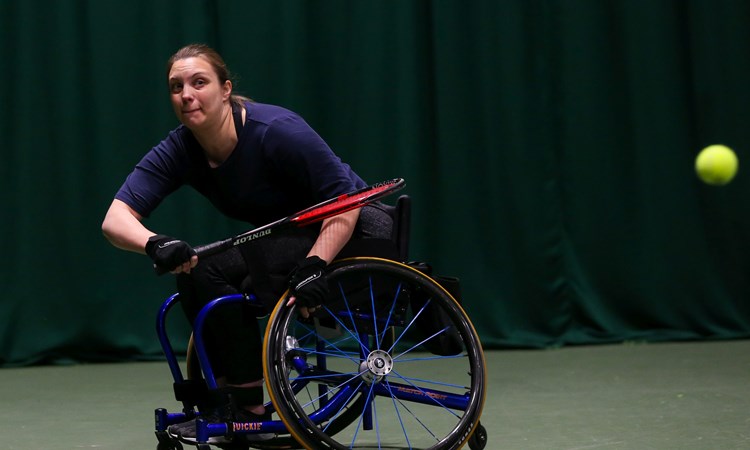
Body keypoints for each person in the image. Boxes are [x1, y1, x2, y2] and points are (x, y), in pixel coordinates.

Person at [101, 43, 394, 443]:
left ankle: (246, 407)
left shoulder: (277, 131)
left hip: (356, 230)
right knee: (197, 270)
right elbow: (114, 219)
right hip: (282, 242)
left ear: (225, 89)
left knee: (255, 256)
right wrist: (155, 244)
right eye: (176, 86)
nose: (186, 94)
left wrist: (315, 264)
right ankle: (235, 402)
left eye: (198, 82)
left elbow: (345, 203)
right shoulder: (181, 148)